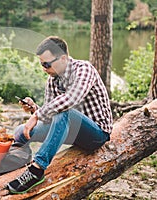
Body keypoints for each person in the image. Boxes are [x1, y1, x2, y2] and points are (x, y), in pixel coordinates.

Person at [7, 36, 113, 194]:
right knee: (21, 131)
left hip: (96, 134)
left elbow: (71, 99)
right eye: (41, 64)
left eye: (47, 64)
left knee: (65, 112)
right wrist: (35, 109)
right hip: (70, 130)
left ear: (63, 58)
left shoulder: (84, 69)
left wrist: (36, 116)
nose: (44, 68)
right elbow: (51, 117)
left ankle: (36, 170)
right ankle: (12, 165)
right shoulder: (52, 80)